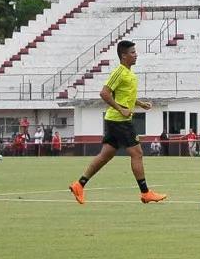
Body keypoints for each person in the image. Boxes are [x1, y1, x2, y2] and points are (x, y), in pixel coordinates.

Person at [70, 39, 165, 204]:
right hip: (119, 120)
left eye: (135, 52)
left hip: (115, 120)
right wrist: (121, 109)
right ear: (123, 55)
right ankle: (145, 192)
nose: (136, 55)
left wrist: (140, 103)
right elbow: (104, 93)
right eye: (132, 53)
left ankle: (79, 184)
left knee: (105, 155)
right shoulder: (119, 72)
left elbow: (125, 96)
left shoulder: (129, 73)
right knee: (137, 153)